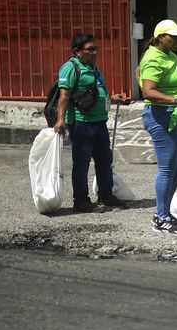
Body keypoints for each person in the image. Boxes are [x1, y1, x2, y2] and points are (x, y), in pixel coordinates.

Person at [53, 33, 131, 212]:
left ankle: (106, 194)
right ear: (77, 51)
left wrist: (112, 98)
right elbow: (64, 95)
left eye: (96, 48)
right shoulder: (70, 67)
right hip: (81, 123)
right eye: (90, 49)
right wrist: (60, 120)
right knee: (82, 162)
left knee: (104, 159)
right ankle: (80, 200)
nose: (95, 52)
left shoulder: (93, 66)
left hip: (99, 122)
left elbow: (93, 93)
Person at [139, 19, 177, 235]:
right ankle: (160, 218)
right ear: (161, 37)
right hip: (160, 116)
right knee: (166, 168)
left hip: (176, 116)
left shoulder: (170, 56)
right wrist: (175, 100)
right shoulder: (153, 58)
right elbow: (148, 91)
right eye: (173, 36)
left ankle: (164, 212)